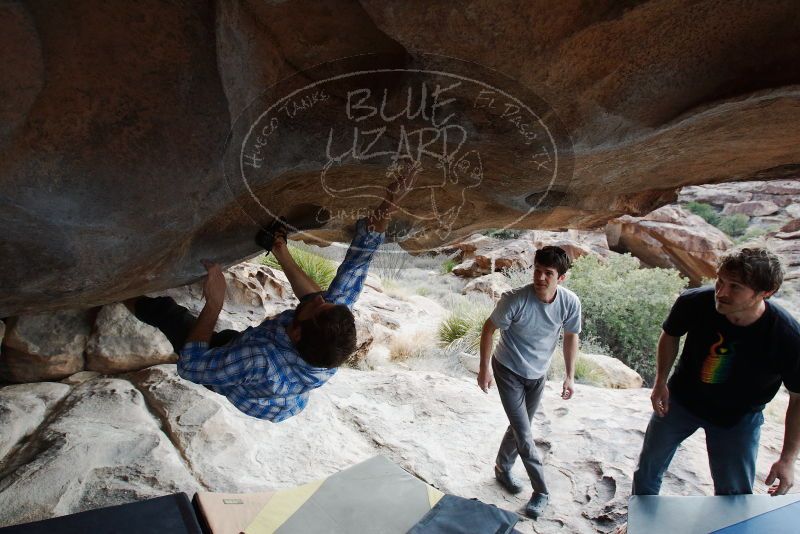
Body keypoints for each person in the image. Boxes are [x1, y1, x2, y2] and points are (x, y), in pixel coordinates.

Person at [129, 169, 411, 422]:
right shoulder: (328, 339)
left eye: (318, 308)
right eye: (325, 304)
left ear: (297, 334)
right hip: (285, 380)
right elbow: (356, 266)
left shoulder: (258, 359)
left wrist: (214, 303)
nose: (321, 300)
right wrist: (388, 206)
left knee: (172, 316)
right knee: (311, 301)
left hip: (253, 390)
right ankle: (277, 246)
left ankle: (116, 297)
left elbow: (191, 367)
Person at [632, 247, 800, 496]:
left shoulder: (786, 336)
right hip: (680, 402)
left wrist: (788, 459)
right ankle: (639, 526)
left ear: (766, 293)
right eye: (720, 281)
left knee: (734, 492)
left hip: (737, 419)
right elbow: (671, 335)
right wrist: (660, 382)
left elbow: (798, 398)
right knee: (647, 470)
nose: (721, 293)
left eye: (735, 287)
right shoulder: (695, 302)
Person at [477, 246, 582, 519]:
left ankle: (502, 467)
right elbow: (489, 329)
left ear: (561, 278)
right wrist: (484, 368)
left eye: (548, 273)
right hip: (508, 369)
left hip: (538, 374)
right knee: (524, 434)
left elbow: (571, 336)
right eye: (537, 271)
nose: (541, 278)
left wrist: (570, 375)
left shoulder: (570, 303)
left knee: (520, 425)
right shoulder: (515, 300)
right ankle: (541, 491)